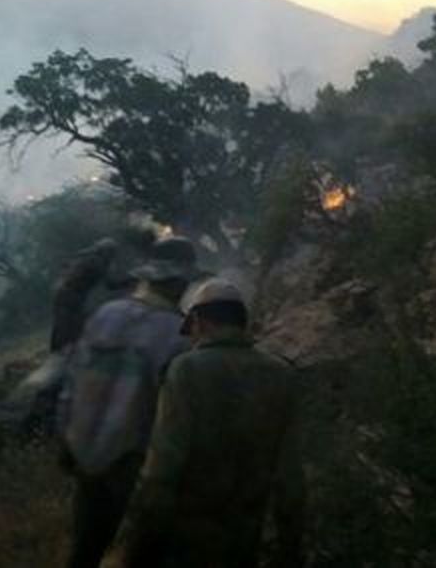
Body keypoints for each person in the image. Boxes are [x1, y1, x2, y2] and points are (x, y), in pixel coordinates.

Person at [121, 278, 303, 567]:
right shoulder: (281, 374)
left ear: (199, 322)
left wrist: (139, 546)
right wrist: (291, 547)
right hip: (245, 538)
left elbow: (163, 469)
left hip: (187, 540)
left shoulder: (186, 370)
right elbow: (290, 476)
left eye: (191, 330)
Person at [59, 236, 201, 568]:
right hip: (132, 463)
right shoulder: (177, 333)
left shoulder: (107, 314)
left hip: (86, 454)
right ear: (180, 282)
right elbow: (172, 412)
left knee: (85, 548)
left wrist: (67, 438)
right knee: (141, 551)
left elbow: (72, 380)